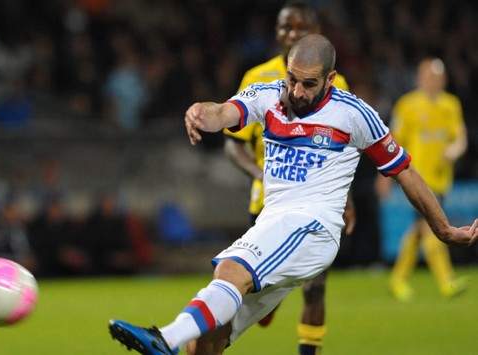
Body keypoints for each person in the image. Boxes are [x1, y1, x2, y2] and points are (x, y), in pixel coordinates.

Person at [109, 34, 478, 355]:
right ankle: (179, 341)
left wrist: (443, 228)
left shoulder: (353, 114)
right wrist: (200, 112)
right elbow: (224, 111)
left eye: (309, 84)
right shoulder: (269, 95)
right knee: (207, 340)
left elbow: (405, 171)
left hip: (314, 227)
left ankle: (163, 338)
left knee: (230, 270)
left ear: (330, 79)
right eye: (292, 79)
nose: (297, 91)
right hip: (275, 222)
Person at [222, 3, 352, 354]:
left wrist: (347, 200)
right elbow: (233, 145)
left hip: (317, 204)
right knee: (259, 300)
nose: (292, 34)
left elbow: (348, 148)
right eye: (285, 27)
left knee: (316, 287)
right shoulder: (257, 77)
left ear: (316, 32)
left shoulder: (333, 83)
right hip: (268, 203)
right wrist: (259, 173)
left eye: (301, 27)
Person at [377, 58, 468, 301]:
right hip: (417, 178)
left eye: (438, 78)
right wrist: (385, 175)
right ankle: (447, 281)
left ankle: (397, 280)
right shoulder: (407, 105)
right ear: (420, 78)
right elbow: (391, 141)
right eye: (429, 77)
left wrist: (454, 151)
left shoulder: (451, 104)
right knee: (430, 228)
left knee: (419, 230)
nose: (434, 81)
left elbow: (460, 138)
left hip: (441, 179)